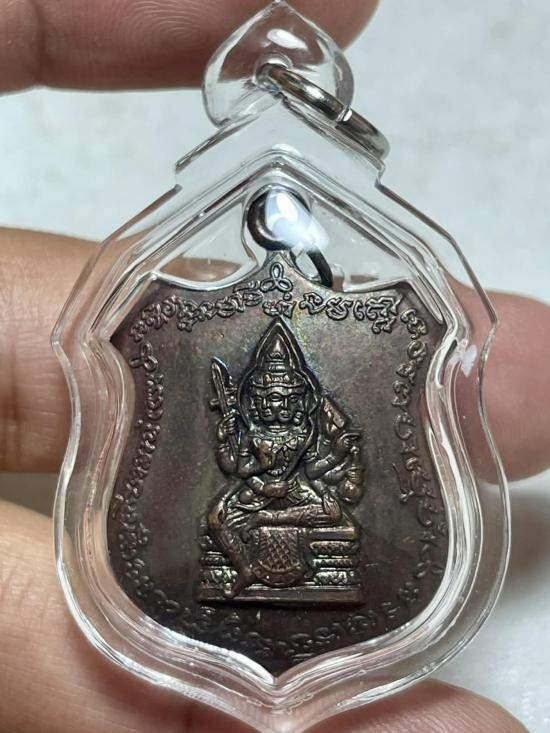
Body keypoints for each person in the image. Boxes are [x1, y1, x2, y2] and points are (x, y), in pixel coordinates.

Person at [0, 1, 548, 731]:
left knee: (336, 524)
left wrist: (330, 448)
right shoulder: (253, 421)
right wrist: (232, 419)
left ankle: (270, 569)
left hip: (304, 502)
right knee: (221, 515)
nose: (281, 406)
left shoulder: (315, 421)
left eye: (291, 397)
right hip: (257, 502)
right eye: (273, 398)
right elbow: (232, 464)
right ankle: (250, 572)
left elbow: (344, 470)